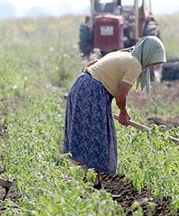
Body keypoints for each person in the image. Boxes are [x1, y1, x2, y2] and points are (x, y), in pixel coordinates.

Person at [62, 35, 166, 189]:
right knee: (96, 139)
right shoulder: (135, 64)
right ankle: (87, 185)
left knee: (89, 137)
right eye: (153, 61)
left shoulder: (123, 55)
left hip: (82, 86)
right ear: (148, 54)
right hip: (91, 92)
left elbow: (93, 64)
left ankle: (93, 185)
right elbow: (121, 96)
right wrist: (123, 113)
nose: (150, 66)